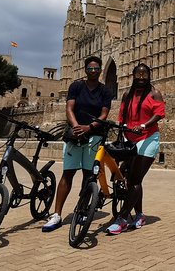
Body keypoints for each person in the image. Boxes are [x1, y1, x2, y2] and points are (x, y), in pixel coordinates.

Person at [43, 56, 113, 232]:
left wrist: (89, 127)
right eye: (90, 69)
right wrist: (76, 127)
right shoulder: (76, 86)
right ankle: (57, 214)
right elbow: (69, 108)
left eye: (96, 69)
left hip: (94, 135)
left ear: (100, 71)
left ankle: (82, 210)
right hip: (74, 136)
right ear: (85, 70)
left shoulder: (105, 91)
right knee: (68, 173)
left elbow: (104, 114)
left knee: (88, 176)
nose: (93, 71)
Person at [107, 63, 165, 234]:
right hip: (129, 137)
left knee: (135, 179)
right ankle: (139, 214)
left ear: (149, 76)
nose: (141, 78)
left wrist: (143, 125)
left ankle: (123, 218)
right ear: (133, 76)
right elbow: (122, 117)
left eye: (144, 74)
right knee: (133, 178)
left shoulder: (154, 93)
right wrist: (122, 129)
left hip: (148, 138)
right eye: (138, 74)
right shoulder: (127, 94)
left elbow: (159, 114)